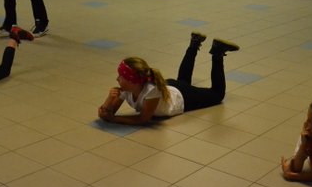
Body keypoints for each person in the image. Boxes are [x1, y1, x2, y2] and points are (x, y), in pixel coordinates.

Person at [97, 33, 239, 125]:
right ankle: (194, 44)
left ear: (133, 80)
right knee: (183, 80)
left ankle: (217, 53)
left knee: (217, 94)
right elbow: (107, 112)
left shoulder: (151, 91)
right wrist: (109, 100)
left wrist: (114, 119)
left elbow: (143, 118)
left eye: (121, 77)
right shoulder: (126, 89)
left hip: (183, 97)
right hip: (170, 87)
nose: (117, 79)